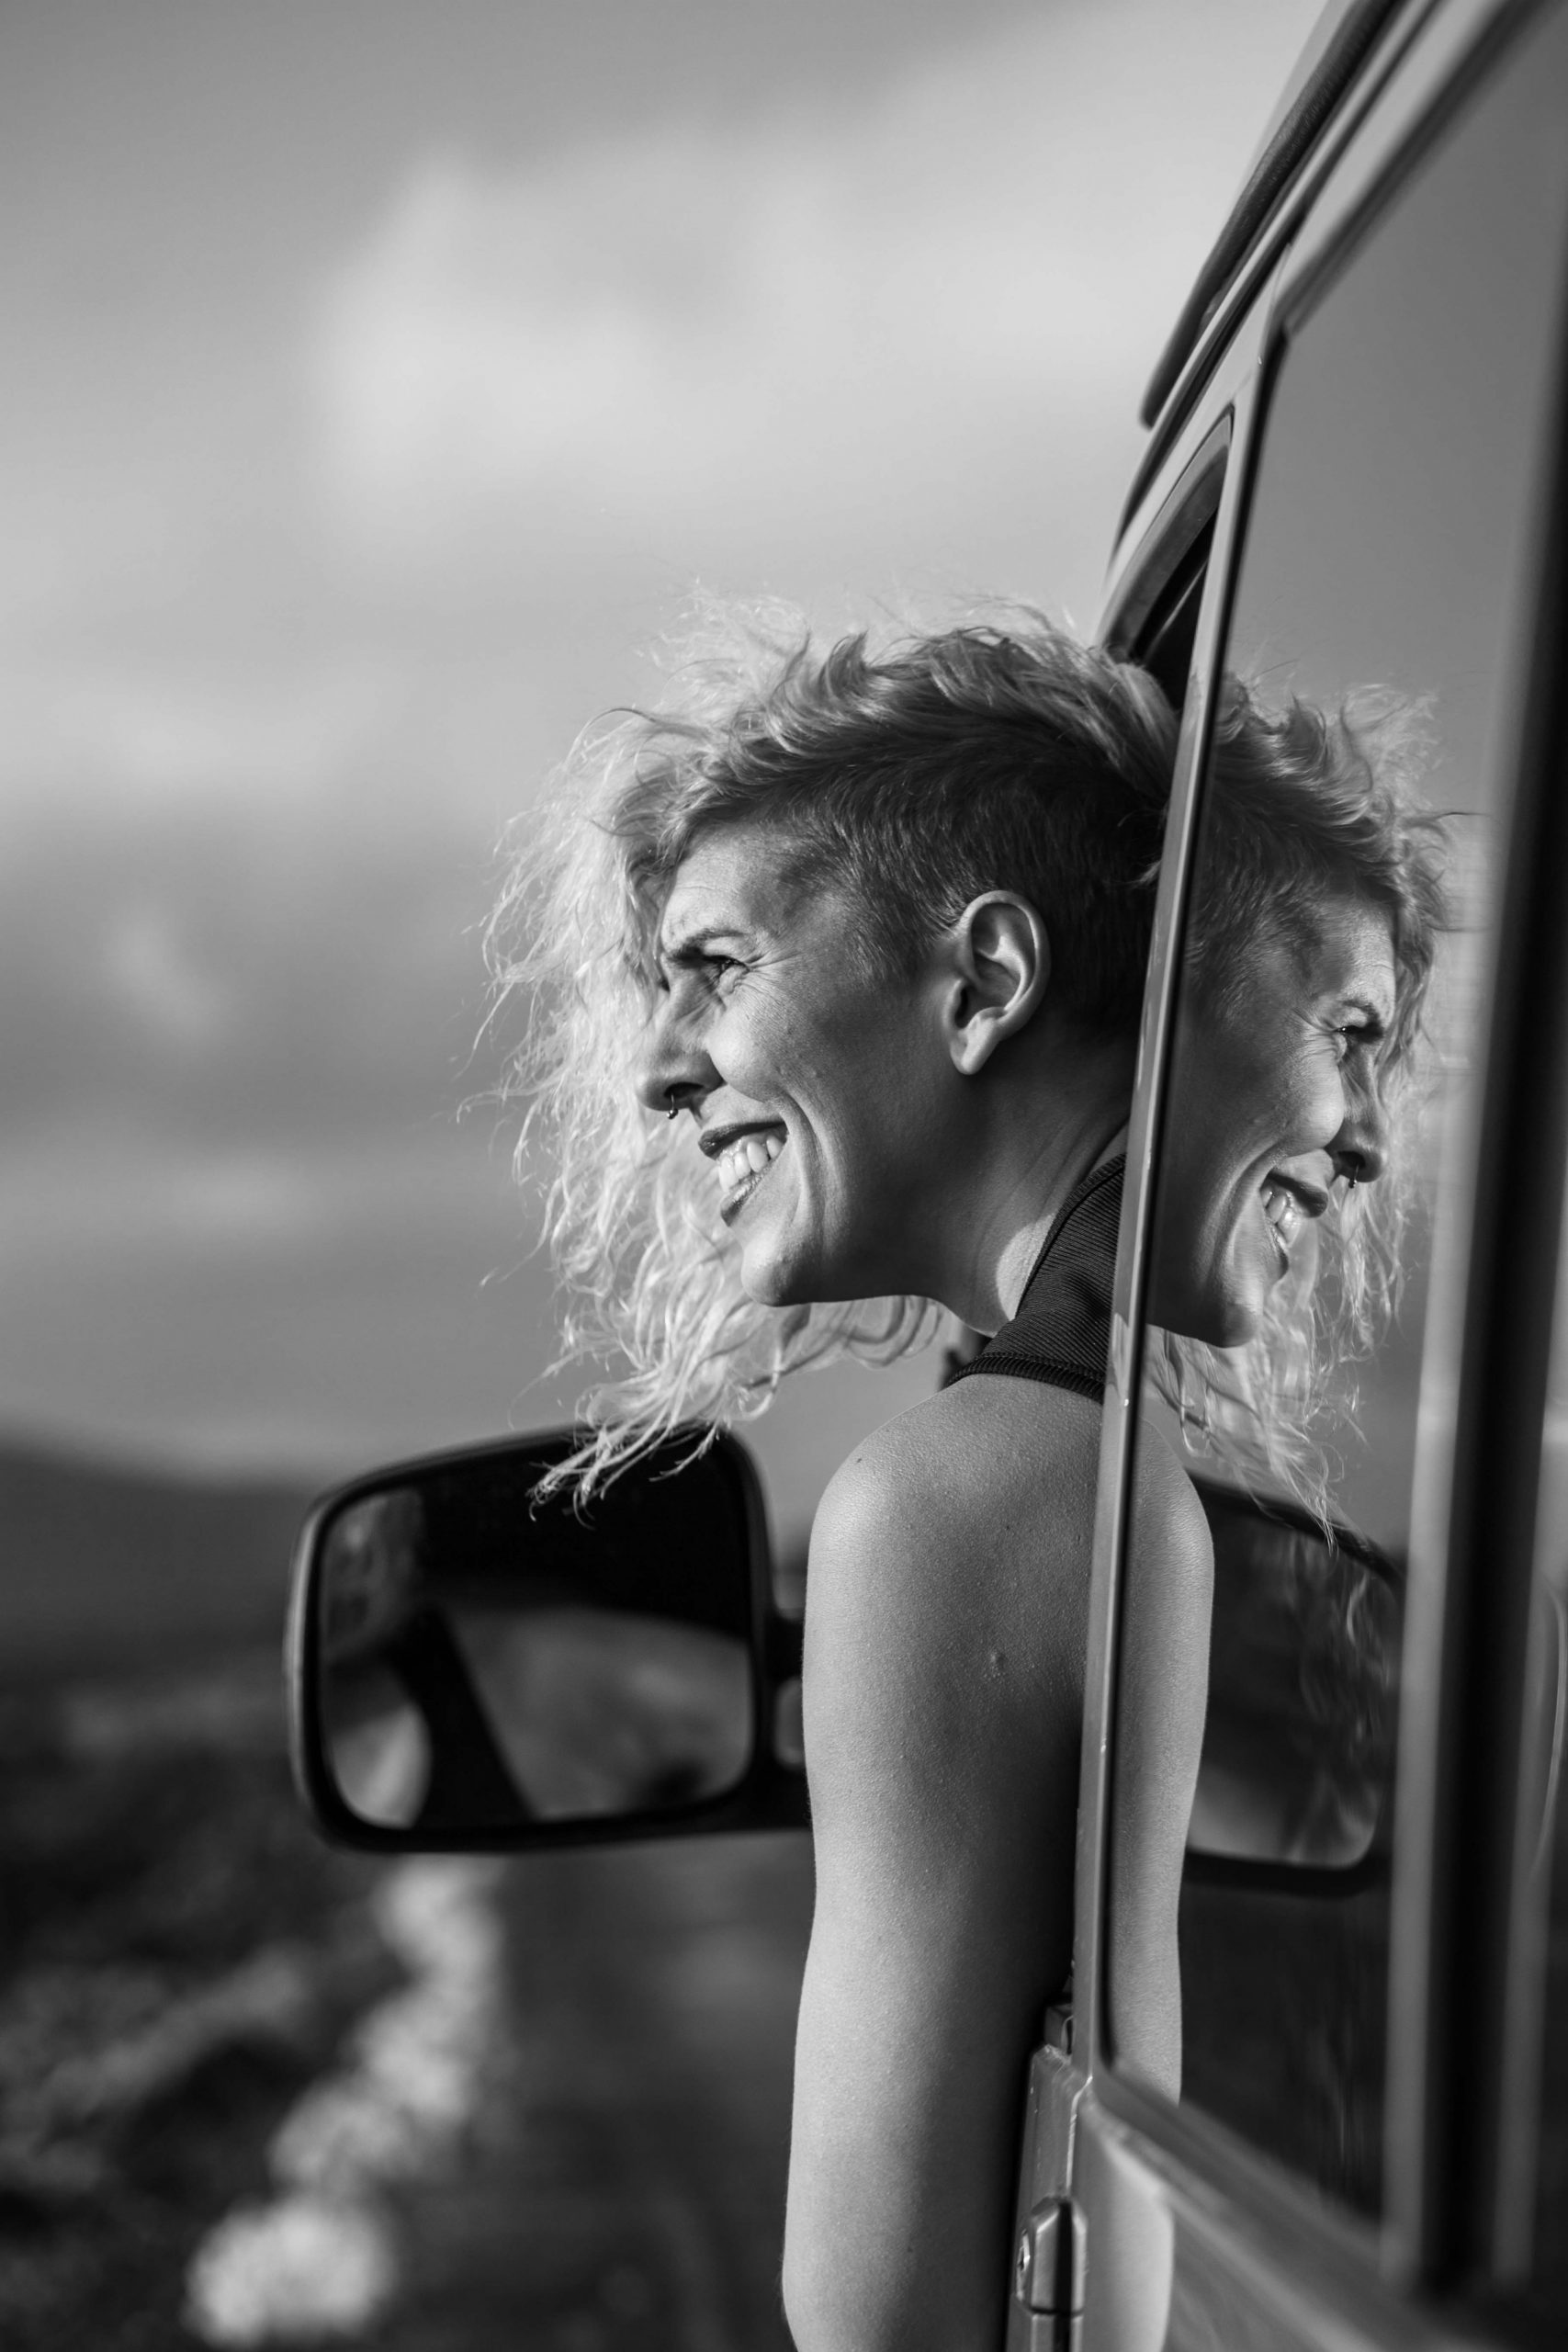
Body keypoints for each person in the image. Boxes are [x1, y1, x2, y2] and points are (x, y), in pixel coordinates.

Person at [487, 609, 1445, 2352]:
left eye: (714, 965)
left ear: (987, 983)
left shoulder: (964, 1498)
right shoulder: (1099, 1464)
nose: (660, 1066)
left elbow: (881, 2322)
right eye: (1353, 1036)